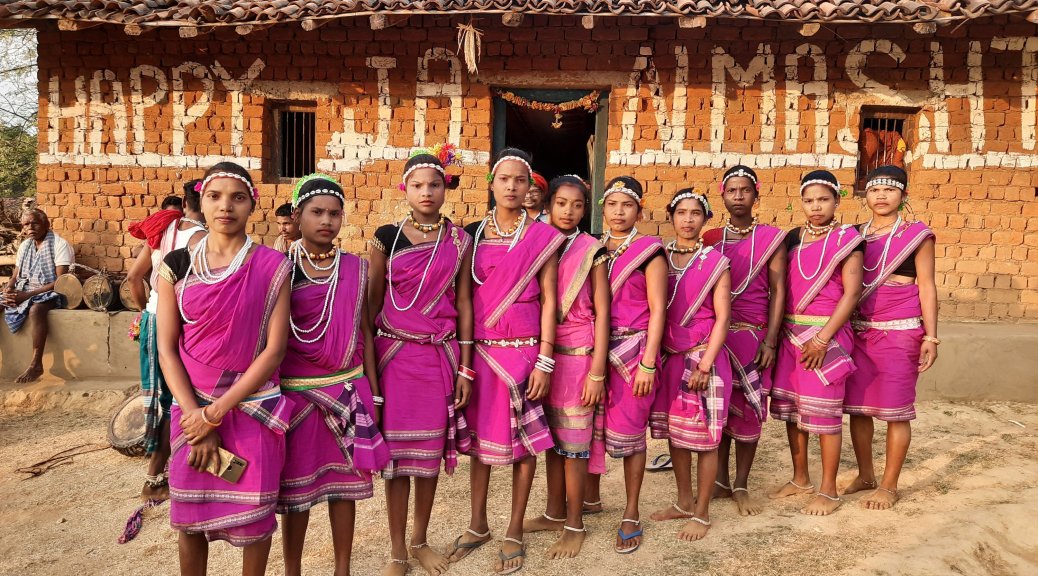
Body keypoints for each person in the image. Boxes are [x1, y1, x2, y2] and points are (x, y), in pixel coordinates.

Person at [155, 161, 292, 575]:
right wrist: (197, 417)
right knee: (190, 523)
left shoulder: (272, 266)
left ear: (252, 204)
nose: (225, 206)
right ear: (201, 200)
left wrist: (216, 412)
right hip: (189, 409)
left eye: (237, 197)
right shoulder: (177, 264)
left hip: (249, 410)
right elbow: (166, 348)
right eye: (215, 196)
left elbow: (274, 350)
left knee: (256, 520)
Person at [446, 148, 563, 575]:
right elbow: (462, 300)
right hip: (482, 354)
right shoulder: (471, 235)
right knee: (481, 443)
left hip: (526, 353)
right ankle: (478, 524)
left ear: (529, 187)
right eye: (504, 179)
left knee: (525, 443)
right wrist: (463, 361)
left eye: (520, 180)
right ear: (491, 185)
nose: (513, 187)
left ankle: (514, 527)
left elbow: (550, 299)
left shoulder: (542, 237)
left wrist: (545, 361)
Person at [368, 145, 474, 576]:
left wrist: (466, 366)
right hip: (393, 355)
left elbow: (464, 302)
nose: (426, 192)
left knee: (428, 456)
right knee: (395, 461)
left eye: (433, 184)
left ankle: (420, 540)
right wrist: (367, 374)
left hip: (438, 359)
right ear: (404, 189)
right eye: (417, 185)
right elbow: (371, 306)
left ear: (445, 188)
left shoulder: (460, 240)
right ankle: (396, 548)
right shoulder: (386, 237)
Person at [278, 174, 389, 576]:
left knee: (345, 490)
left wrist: (374, 395)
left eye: (335, 213)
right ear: (297, 215)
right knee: (297, 492)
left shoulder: (357, 270)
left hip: (348, 389)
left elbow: (364, 332)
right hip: (297, 396)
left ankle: (343, 568)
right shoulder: (279, 268)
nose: (327, 220)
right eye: (317, 212)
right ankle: (293, 570)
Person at [522, 175, 609, 559]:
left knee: (575, 446)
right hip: (541, 358)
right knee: (552, 443)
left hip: (577, 359)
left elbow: (604, 314)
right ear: (548, 204)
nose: (569, 211)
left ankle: (575, 524)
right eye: (561, 203)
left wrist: (597, 371)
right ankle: (554, 511)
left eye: (577, 205)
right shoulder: (534, 243)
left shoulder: (593, 250)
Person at [769, 169, 863, 516]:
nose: (816, 207)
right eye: (809, 200)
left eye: (823, 199)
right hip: (791, 336)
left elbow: (851, 293)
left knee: (825, 414)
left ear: (837, 201)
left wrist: (822, 339)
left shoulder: (848, 239)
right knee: (795, 412)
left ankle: (828, 489)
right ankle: (800, 478)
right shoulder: (793, 238)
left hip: (827, 336)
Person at [844, 165, 938, 510]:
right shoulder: (853, 235)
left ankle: (889, 484)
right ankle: (865, 475)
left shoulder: (917, 236)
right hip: (858, 333)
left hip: (901, 333)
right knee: (858, 409)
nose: (880, 196)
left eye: (889, 190)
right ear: (864, 195)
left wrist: (931, 336)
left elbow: (926, 286)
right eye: (873, 190)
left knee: (897, 412)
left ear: (903, 195)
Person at [584, 176, 666, 554]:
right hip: (593, 351)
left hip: (634, 352)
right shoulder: (591, 248)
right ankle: (590, 498)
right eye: (612, 204)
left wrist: (649, 362)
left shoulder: (649, 251)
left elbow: (657, 309)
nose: (619, 212)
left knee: (631, 435)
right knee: (588, 428)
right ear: (602, 208)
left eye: (627, 205)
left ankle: (631, 511)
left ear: (639, 210)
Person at [648, 189, 732, 541]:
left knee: (706, 439)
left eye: (695, 213)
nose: (687, 219)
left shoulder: (716, 262)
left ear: (706, 219)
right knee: (676, 435)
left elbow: (723, 317)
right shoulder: (657, 257)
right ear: (671, 216)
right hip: (670, 358)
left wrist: (705, 364)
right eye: (681, 212)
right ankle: (683, 501)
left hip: (703, 357)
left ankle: (701, 512)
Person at [705, 166, 786, 516]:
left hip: (753, 338)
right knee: (720, 410)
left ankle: (741, 483)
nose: (738, 196)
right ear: (722, 196)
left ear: (756, 195)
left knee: (750, 411)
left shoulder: (771, 238)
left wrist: (770, 340)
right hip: (717, 338)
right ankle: (719, 480)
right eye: (731, 190)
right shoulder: (710, 238)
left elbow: (780, 290)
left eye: (745, 190)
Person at [125, 179, 207, 500]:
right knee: (179, 398)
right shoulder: (206, 239)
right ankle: (156, 480)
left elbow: (134, 277)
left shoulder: (164, 229)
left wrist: (144, 311)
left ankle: (161, 475)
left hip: (154, 319)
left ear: (185, 203)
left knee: (162, 400)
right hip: (184, 323)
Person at [2, 209, 74, 383]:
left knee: (36, 310)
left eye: (35, 223)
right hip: (25, 289)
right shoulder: (26, 246)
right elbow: (15, 275)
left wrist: (26, 295)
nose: (30, 227)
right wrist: (9, 289)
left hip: (51, 291)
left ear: (46, 224)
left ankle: (36, 364)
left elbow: (60, 281)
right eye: (26, 224)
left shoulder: (59, 244)